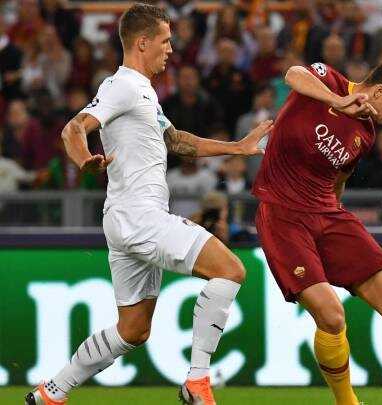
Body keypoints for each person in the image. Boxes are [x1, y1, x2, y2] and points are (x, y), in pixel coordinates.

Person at [25, 4, 271, 405]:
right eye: (165, 41)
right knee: (230, 270)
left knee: (133, 330)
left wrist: (237, 147)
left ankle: (52, 392)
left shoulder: (142, 91)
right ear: (142, 43)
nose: (171, 49)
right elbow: (74, 128)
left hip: (125, 218)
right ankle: (197, 381)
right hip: (139, 215)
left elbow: (176, 141)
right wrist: (83, 159)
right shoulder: (121, 85)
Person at [253, 59, 382, 404]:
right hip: (283, 215)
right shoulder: (328, 82)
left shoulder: (365, 134)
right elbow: (293, 74)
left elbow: (338, 180)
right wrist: (336, 102)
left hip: (327, 213)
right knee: (332, 315)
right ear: (379, 91)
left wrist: (334, 224)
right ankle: (347, 402)